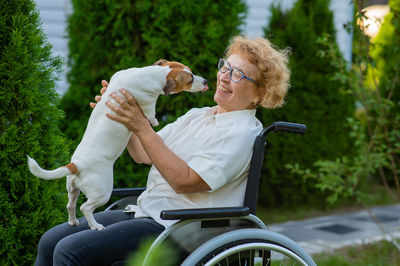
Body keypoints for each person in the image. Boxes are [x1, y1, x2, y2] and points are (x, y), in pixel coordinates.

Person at [35, 36, 290, 265]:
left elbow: (185, 181)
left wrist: (141, 125)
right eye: (225, 66)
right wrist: (122, 113)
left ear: (261, 93)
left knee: (70, 252)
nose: (224, 76)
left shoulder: (241, 132)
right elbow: (144, 155)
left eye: (238, 74)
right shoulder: (198, 116)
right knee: (50, 240)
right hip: (147, 212)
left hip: (181, 229)